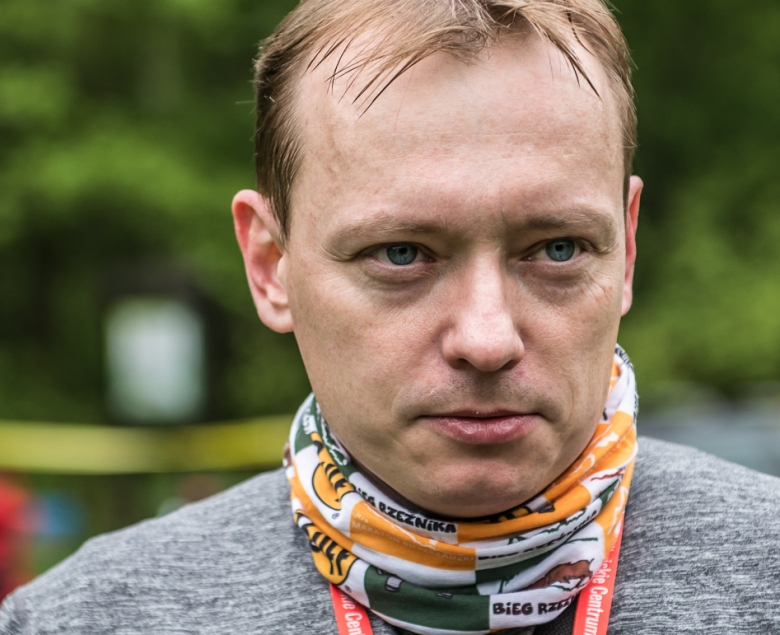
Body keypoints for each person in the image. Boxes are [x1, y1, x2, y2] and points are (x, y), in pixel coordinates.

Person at [2, 0, 780, 633]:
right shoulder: (84, 619)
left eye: (558, 248)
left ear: (627, 251)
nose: (486, 338)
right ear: (271, 265)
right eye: (401, 254)